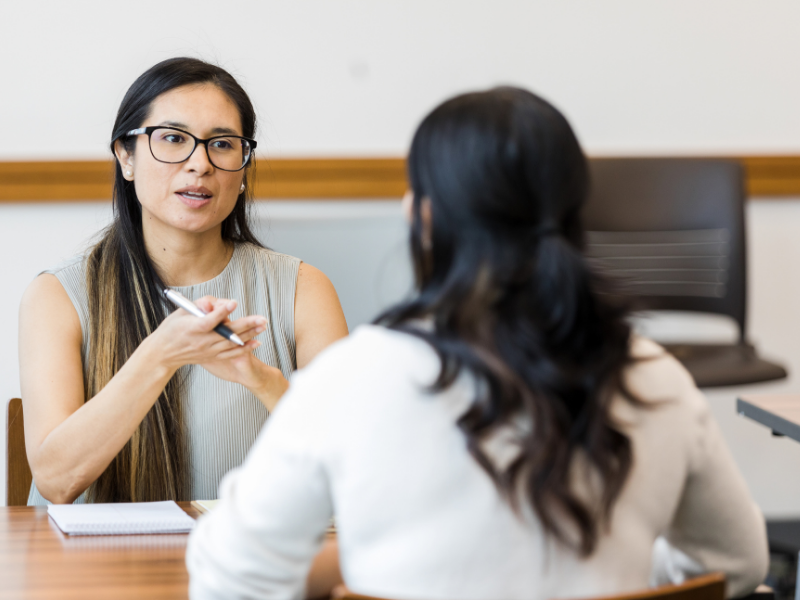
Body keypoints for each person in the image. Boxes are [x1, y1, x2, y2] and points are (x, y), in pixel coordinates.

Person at [186, 87, 768, 600]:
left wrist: (350, 569)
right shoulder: (653, 375)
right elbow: (735, 566)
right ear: (575, 216)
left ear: (423, 217)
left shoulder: (357, 376)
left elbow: (229, 579)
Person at [18, 57, 348, 505]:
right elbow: (57, 482)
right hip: (97, 571)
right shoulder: (56, 296)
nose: (200, 164)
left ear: (244, 168)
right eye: (173, 139)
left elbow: (350, 467)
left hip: (249, 566)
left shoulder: (304, 289)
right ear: (126, 156)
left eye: (223, 144)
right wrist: (161, 354)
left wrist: (261, 381)